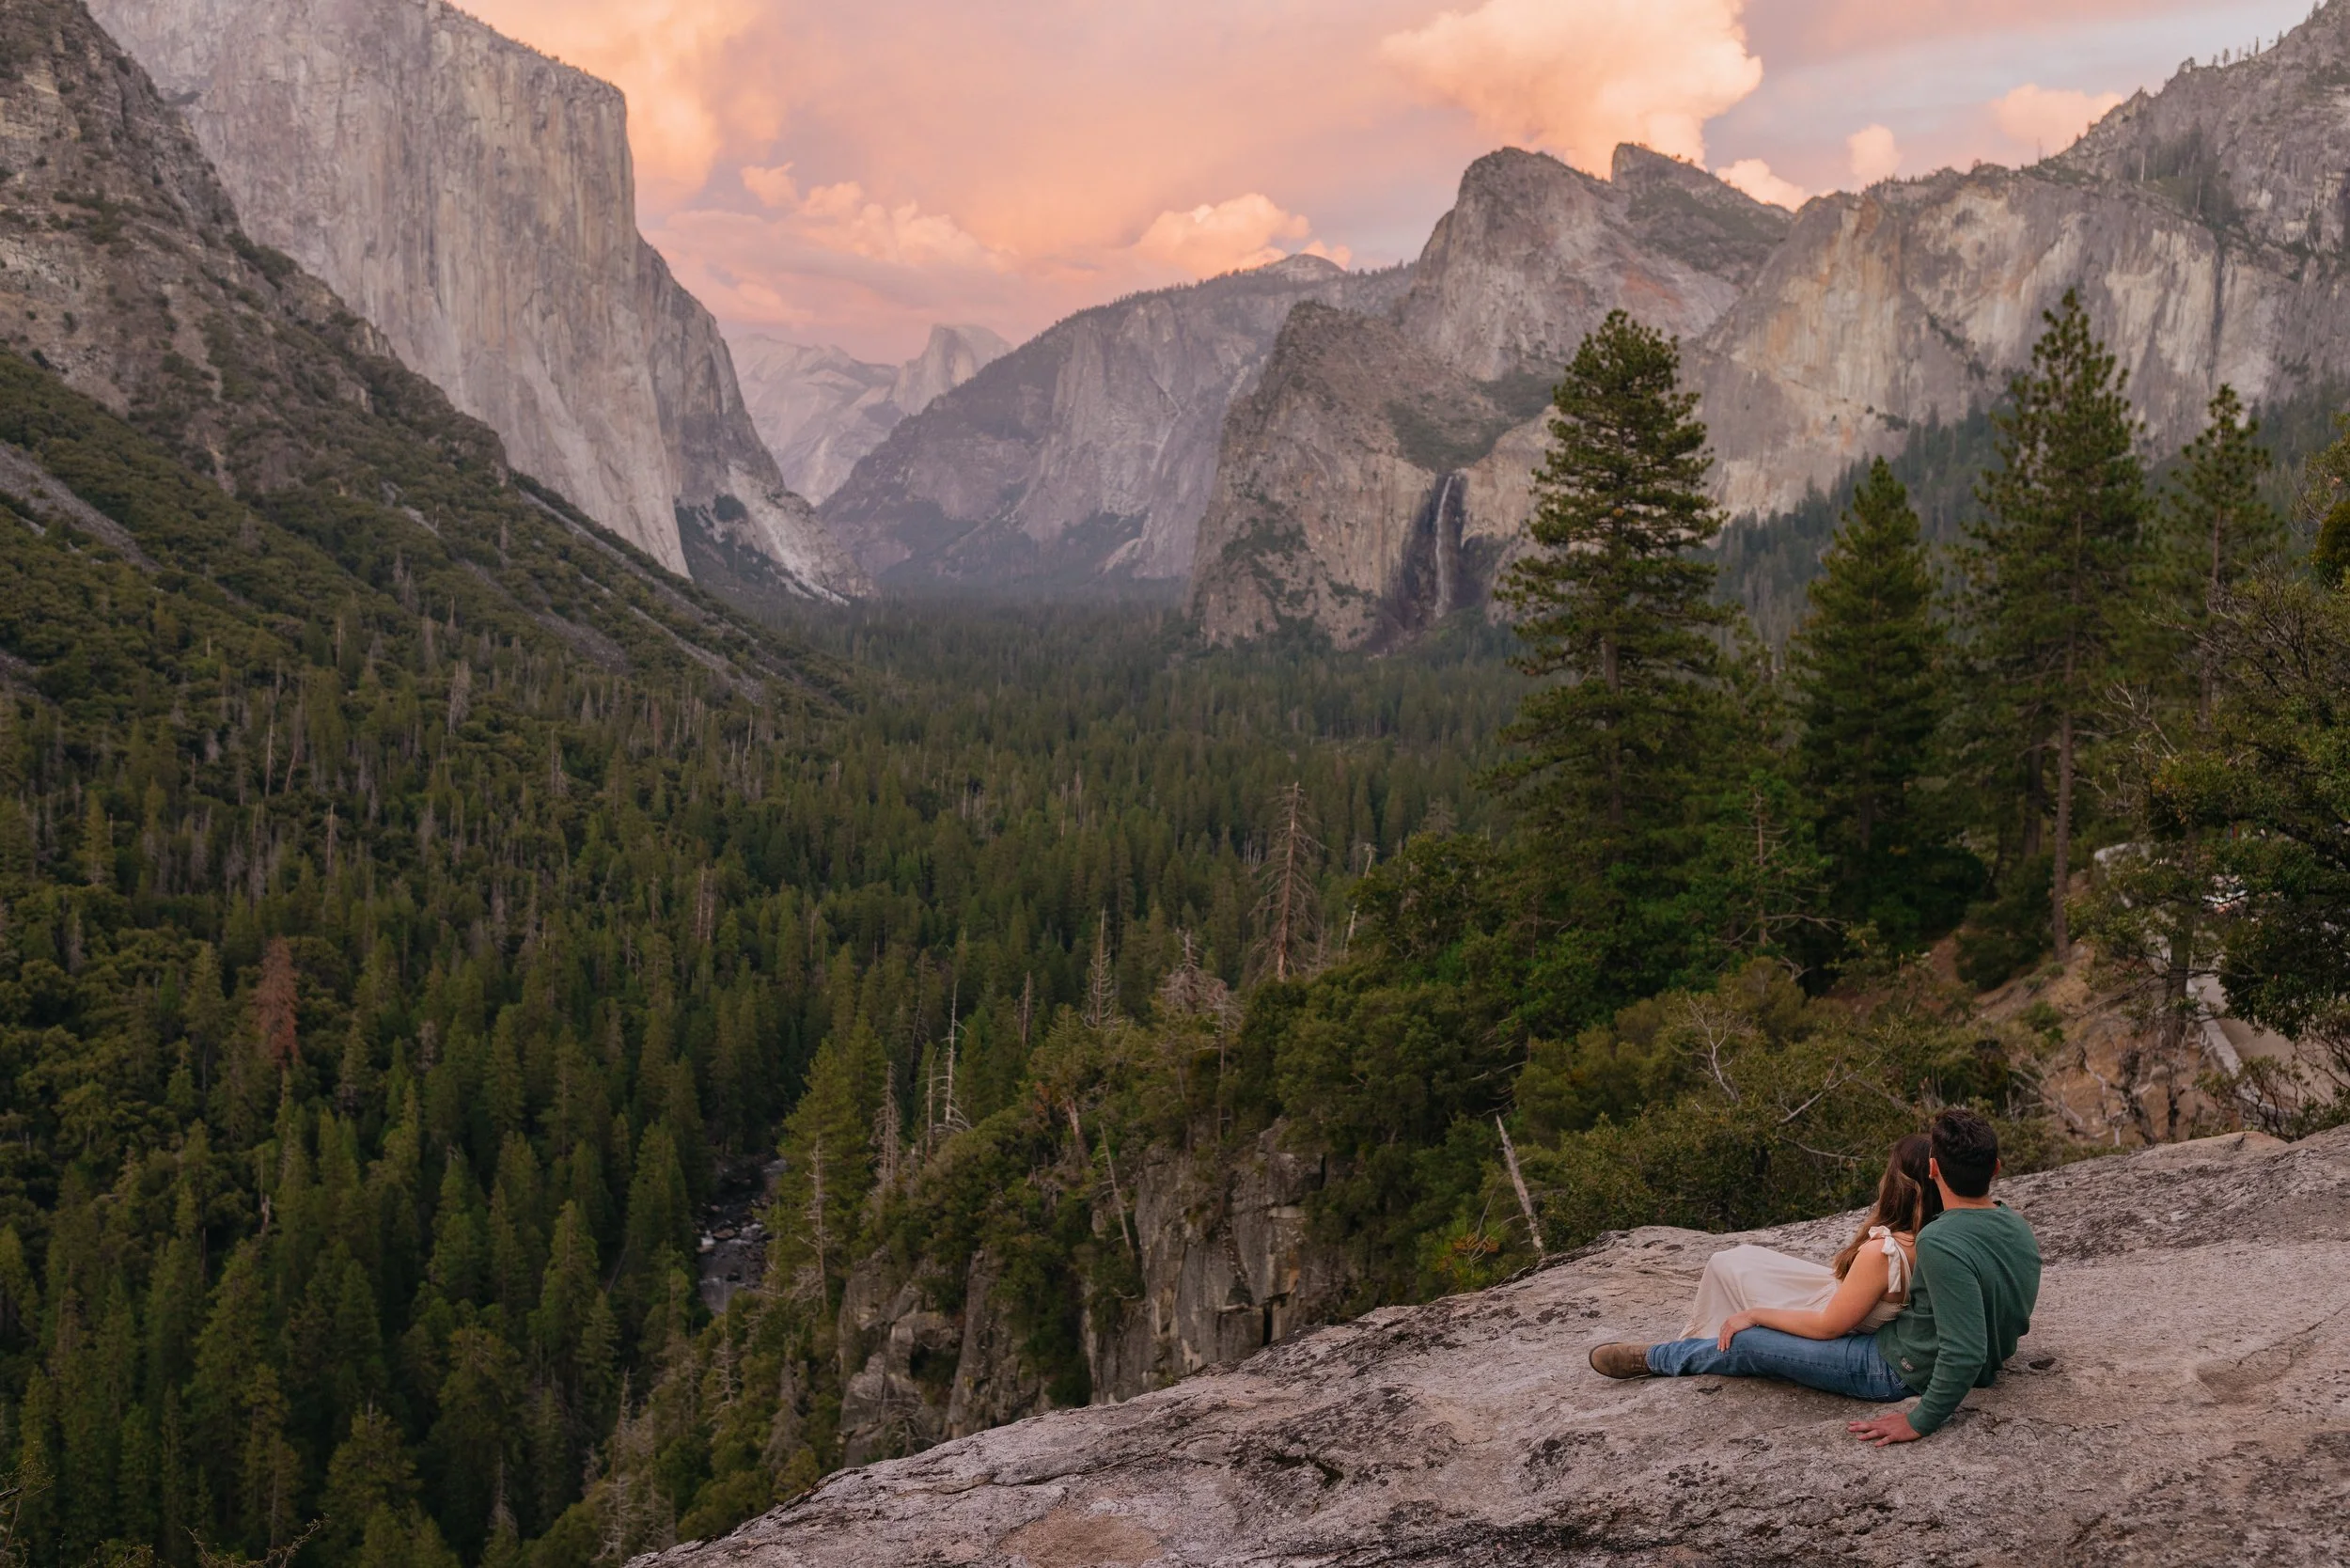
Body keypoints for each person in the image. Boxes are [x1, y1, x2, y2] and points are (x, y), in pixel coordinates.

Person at [1588, 1108, 2043, 1446]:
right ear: (1996, 1169)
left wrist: (1920, 1420)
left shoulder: (1940, 1241)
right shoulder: (2015, 1225)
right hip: (1916, 1351)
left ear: (1935, 1169)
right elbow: (2001, 1317)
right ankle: (1678, 1349)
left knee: (1747, 1342)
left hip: (1892, 1372)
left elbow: (1965, 1351)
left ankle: (1659, 1358)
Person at [1674, 1133, 1938, 1347]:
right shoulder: (1931, 1236)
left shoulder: (1884, 1252)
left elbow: (1826, 1326)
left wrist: (1753, 1315)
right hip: (1841, 1294)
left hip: (1823, 1310)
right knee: (1743, 1257)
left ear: (1897, 1188)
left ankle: (1705, 1344)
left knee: (1724, 1266)